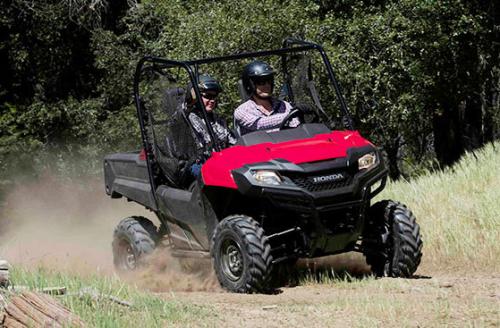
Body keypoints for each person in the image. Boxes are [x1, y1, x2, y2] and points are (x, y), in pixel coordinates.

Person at [187, 74, 236, 177]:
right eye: (208, 96)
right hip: (199, 164)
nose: (212, 100)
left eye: (214, 96)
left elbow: (233, 142)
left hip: (221, 161)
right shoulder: (187, 120)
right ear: (194, 96)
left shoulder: (219, 119)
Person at [234, 60, 300, 135]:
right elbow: (258, 124)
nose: (267, 85)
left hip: (285, 144)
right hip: (259, 145)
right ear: (250, 85)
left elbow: (296, 124)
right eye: (261, 82)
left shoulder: (284, 105)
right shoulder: (242, 111)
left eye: (269, 81)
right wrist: (289, 115)